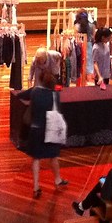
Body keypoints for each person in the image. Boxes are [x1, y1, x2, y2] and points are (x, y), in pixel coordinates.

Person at [18, 66, 68, 198]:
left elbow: (20, 95)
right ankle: (57, 179)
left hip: (36, 130)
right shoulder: (55, 95)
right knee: (53, 156)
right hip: (50, 130)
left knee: (36, 158)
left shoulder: (35, 92)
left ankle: (36, 187)